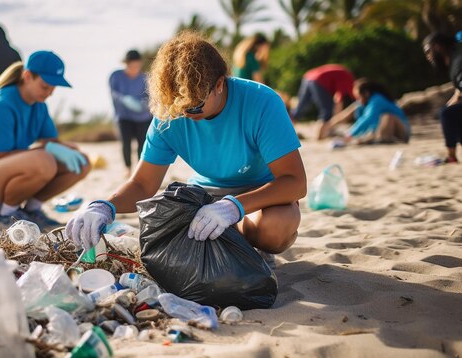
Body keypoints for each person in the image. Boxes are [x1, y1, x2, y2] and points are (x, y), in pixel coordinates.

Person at [66, 32, 305, 262]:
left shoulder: (262, 102)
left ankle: (241, 241)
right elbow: (142, 184)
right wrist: (105, 206)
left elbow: (295, 181)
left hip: (260, 193)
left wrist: (235, 206)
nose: (186, 114)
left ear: (219, 84)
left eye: (194, 106)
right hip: (204, 196)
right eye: (178, 107)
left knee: (276, 228)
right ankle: (228, 241)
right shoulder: (171, 112)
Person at [0, 51, 91, 230]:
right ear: (27, 76)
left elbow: (51, 142)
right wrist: (49, 149)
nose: (50, 93)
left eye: (54, 88)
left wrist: (67, 147)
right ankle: (6, 216)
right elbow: (3, 156)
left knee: (81, 161)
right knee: (44, 160)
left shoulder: (39, 106)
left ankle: (32, 210)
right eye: (46, 86)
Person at [326, 79, 410, 146]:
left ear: (366, 93)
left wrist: (350, 134)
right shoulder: (367, 103)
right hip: (386, 131)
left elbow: (367, 119)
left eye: (358, 97)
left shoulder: (377, 100)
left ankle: (384, 138)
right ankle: (378, 139)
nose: (358, 100)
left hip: (402, 131)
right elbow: (362, 119)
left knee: (387, 116)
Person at [109, 49, 153, 178]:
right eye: (131, 65)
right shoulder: (116, 76)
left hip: (143, 117)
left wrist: (142, 105)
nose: (134, 68)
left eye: (136, 65)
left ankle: (140, 170)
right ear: (126, 64)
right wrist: (125, 99)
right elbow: (114, 94)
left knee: (142, 144)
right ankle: (128, 169)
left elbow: (151, 97)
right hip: (124, 117)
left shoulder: (145, 78)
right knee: (126, 143)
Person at [423, 32, 462, 163]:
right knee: (448, 112)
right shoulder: (455, 62)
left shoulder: (458, 63)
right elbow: (459, 93)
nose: (428, 57)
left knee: (449, 114)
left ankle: (451, 156)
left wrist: (445, 114)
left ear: (437, 47)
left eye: (428, 51)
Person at [291, 64, 355, 140]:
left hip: (308, 76)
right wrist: (336, 119)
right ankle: (319, 136)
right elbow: (338, 100)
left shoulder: (345, 74)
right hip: (319, 79)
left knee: (300, 108)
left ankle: (285, 129)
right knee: (327, 110)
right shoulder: (349, 81)